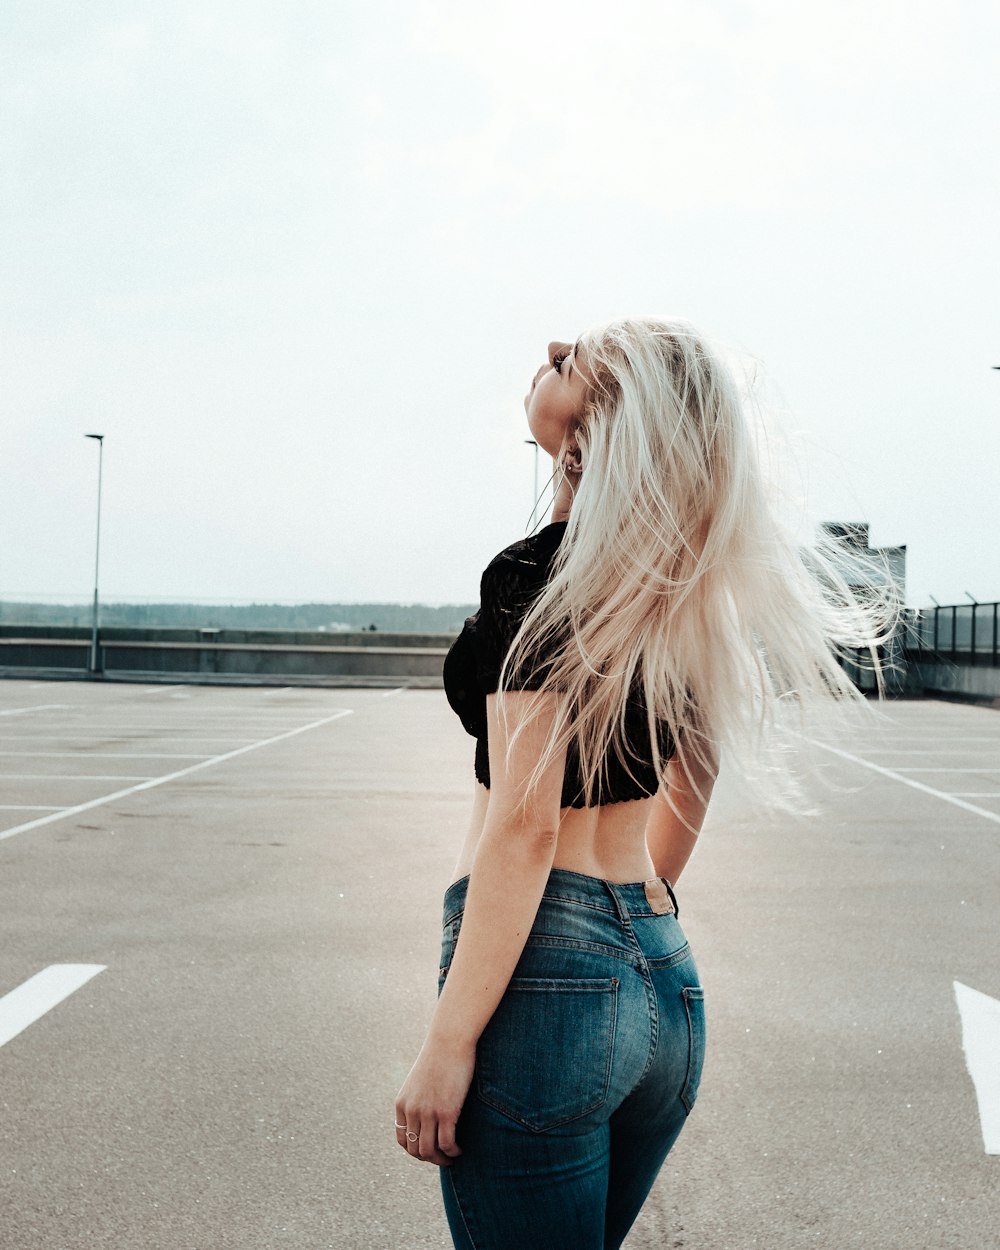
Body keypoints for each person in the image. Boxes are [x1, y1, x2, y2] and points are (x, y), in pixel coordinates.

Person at [394, 317, 891, 1250]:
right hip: (662, 977)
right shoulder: (682, 587)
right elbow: (692, 773)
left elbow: (526, 829)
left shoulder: (535, 579)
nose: (549, 347)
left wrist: (449, 1040)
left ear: (599, 441)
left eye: (569, 362)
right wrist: (632, 927)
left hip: (545, 978)